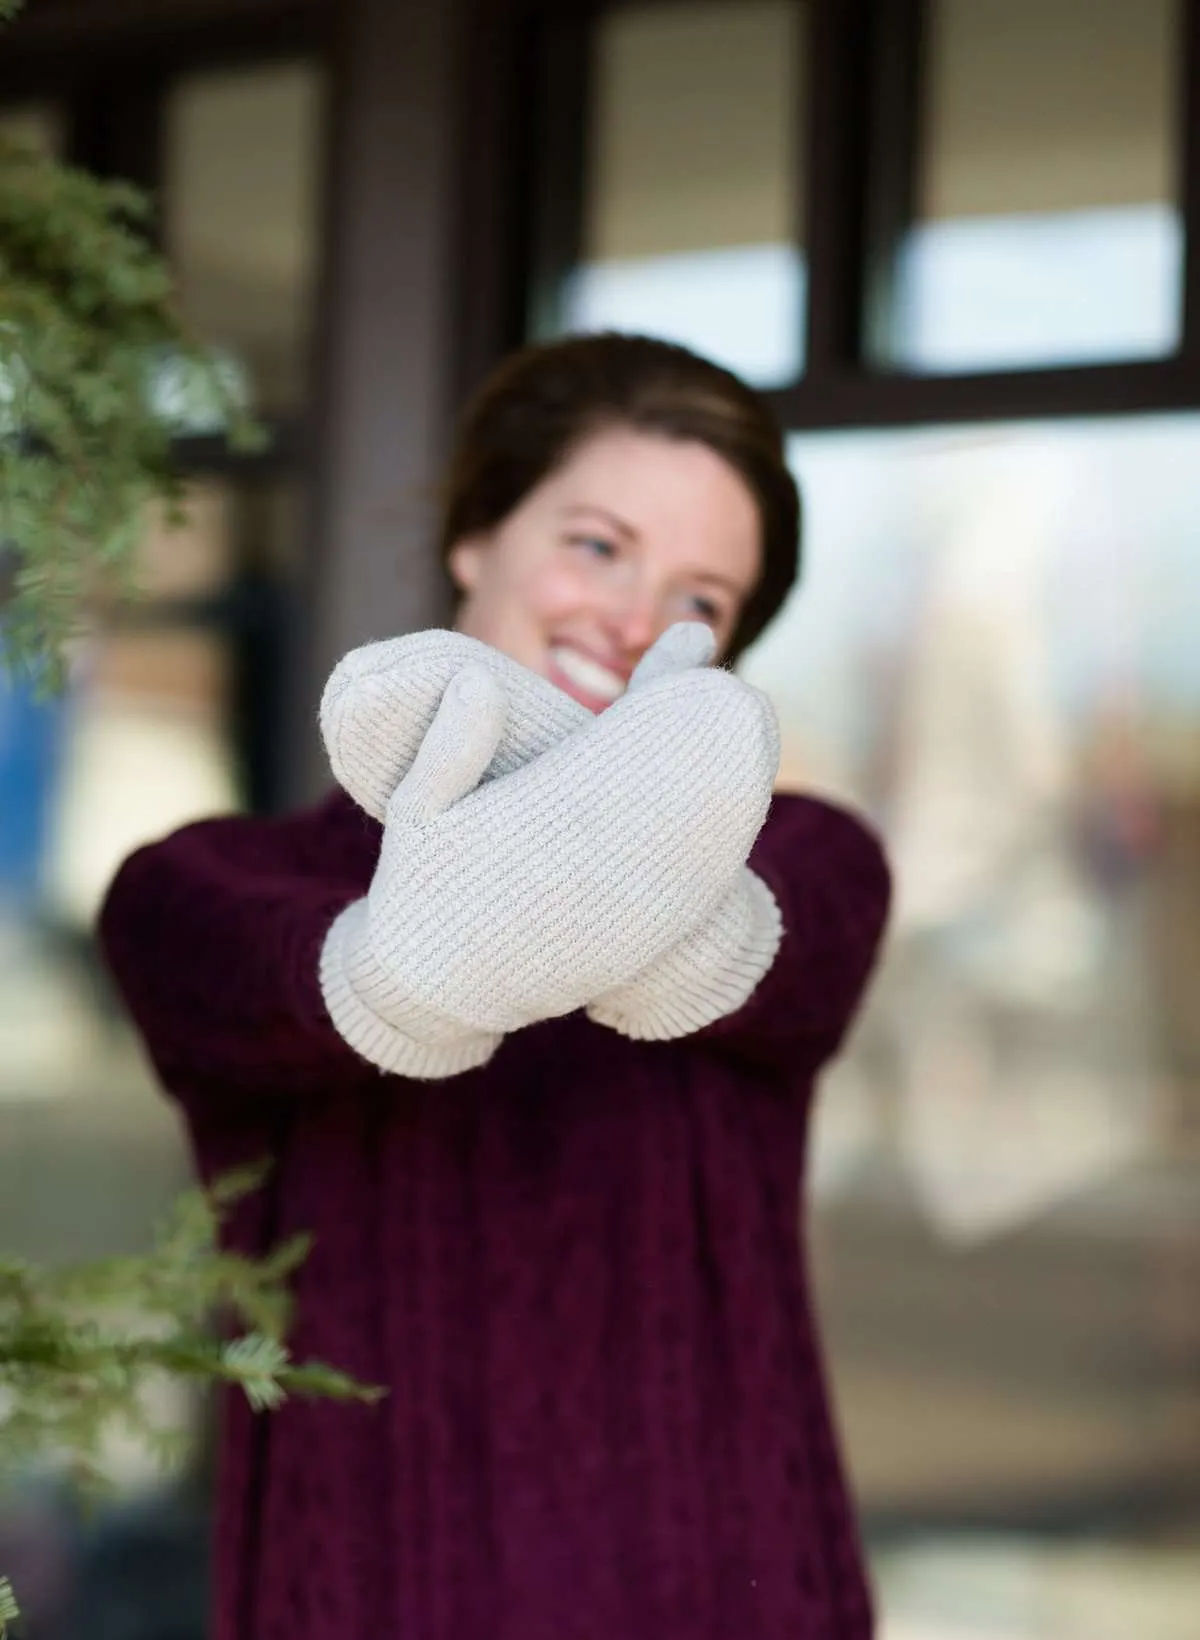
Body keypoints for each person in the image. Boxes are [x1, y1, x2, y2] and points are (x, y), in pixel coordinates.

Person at [99, 332, 891, 1640]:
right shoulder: (210, 889)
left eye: (702, 601)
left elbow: (789, 951)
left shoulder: (805, 865)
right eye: (596, 545)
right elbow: (253, 973)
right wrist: (396, 963)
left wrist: (632, 853)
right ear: (476, 534)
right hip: (369, 1598)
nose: (636, 622)